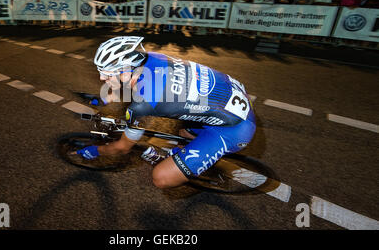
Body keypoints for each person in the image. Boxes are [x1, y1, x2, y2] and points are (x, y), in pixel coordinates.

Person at [72, 37, 256, 189]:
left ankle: (193, 169)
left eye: (106, 73)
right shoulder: (152, 57)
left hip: (235, 130)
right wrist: (103, 98)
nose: (101, 78)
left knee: (160, 177)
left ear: (125, 69)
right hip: (234, 94)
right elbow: (131, 85)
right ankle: (185, 151)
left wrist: (95, 150)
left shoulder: (142, 105)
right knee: (183, 132)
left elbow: (122, 148)